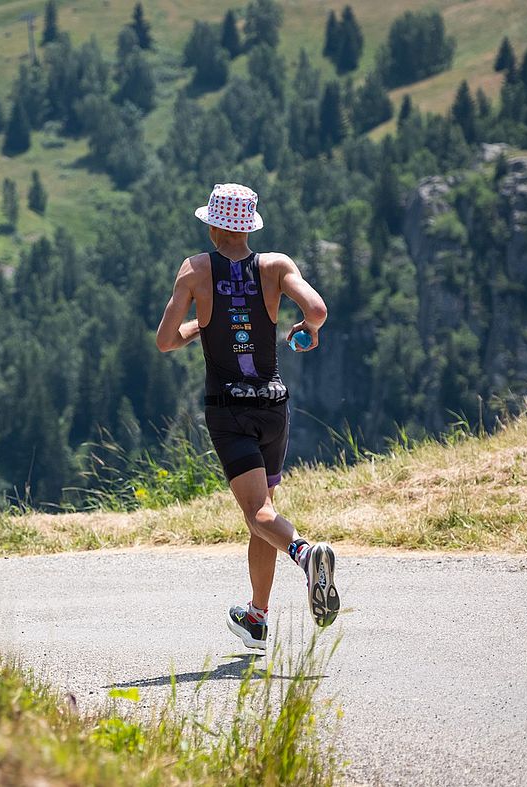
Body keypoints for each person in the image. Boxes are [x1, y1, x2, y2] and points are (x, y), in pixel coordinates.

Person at [155, 183, 339, 653]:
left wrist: (201, 325)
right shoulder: (277, 266)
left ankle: (304, 552)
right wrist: (305, 329)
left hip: (229, 407)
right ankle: (257, 617)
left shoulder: (195, 270)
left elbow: (166, 339)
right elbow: (316, 309)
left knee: (258, 514)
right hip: (273, 402)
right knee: (263, 511)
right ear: (248, 226)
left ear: (215, 225)